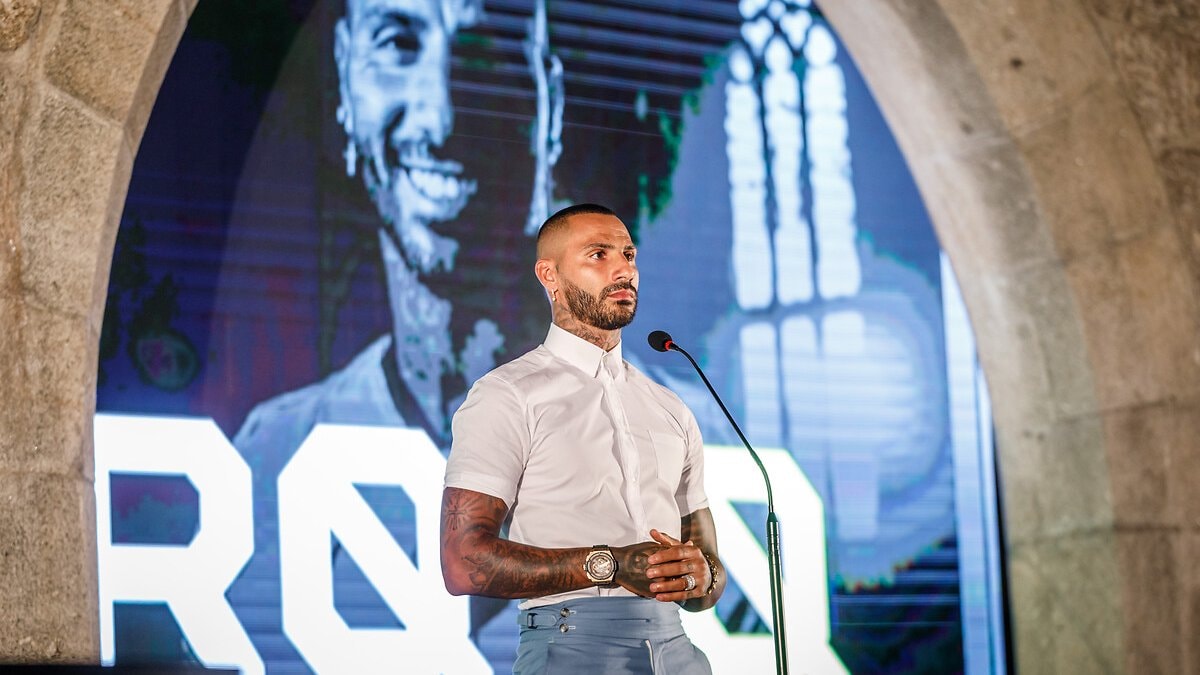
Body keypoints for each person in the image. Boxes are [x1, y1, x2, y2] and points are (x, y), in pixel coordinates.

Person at [441, 203, 726, 673]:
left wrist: (701, 576)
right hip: (569, 643)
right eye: (598, 254)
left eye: (629, 255)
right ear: (549, 276)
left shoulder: (669, 407)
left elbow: (709, 574)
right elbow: (462, 561)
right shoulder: (508, 394)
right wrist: (611, 564)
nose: (623, 269)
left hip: (677, 648)